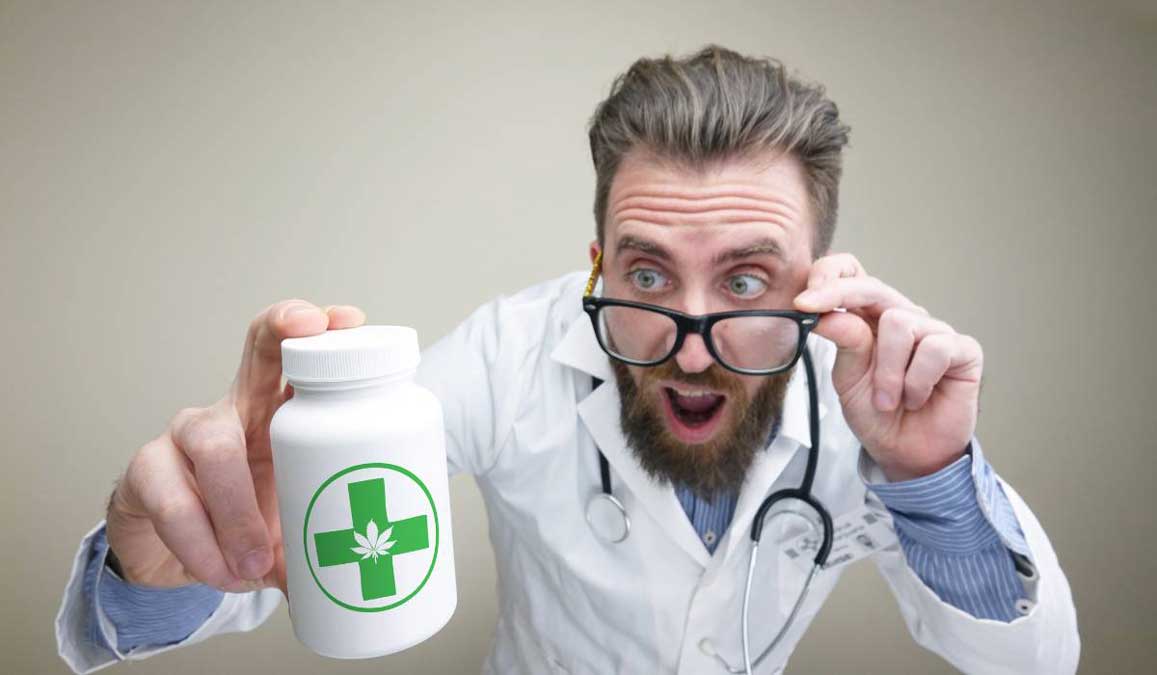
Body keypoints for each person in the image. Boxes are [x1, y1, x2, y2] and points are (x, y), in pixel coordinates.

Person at [55, 45, 1080, 674]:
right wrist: (161, 561)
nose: (689, 346)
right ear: (594, 268)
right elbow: (305, 545)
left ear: (817, 281)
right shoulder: (508, 355)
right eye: (644, 275)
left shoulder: (868, 402)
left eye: (744, 280)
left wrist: (930, 476)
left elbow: (1033, 661)